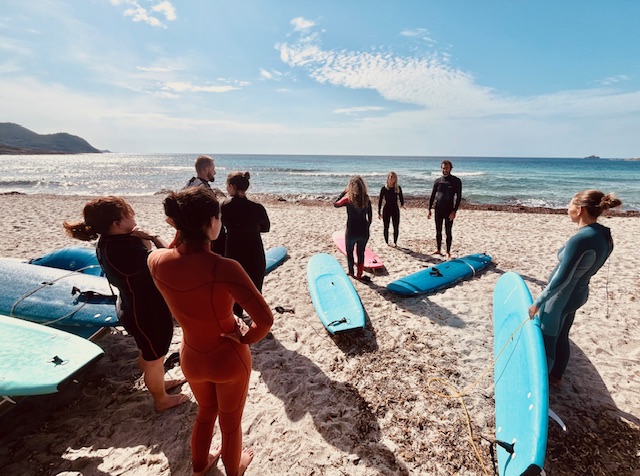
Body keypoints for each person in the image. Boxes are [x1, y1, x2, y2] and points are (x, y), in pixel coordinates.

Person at [148, 187, 273, 476]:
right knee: (230, 424)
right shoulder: (225, 267)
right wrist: (244, 337)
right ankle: (234, 468)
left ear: (176, 225)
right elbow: (264, 321)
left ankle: (200, 466)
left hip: (191, 356)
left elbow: (172, 252)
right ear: (212, 223)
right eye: (218, 217)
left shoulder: (156, 263)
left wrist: (179, 229)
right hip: (228, 357)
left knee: (205, 414)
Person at [63, 197, 187, 413]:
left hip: (130, 305)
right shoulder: (125, 250)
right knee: (153, 358)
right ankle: (161, 400)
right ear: (116, 224)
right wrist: (153, 237)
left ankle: (159, 384)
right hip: (146, 311)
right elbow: (169, 262)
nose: (134, 217)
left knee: (148, 351)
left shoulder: (108, 242)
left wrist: (140, 239)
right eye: (129, 215)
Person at [528, 190, 622, 387]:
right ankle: (557, 377)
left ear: (579, 210)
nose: (567, 208)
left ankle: (542, 386)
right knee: (563, 335)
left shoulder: (581, 239)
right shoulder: (604, 235)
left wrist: (539, 301)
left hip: (560, 297)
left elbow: (562, 278)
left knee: (548, 339)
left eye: (569, 204)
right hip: (579, 294)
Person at [221, 172, 271, 319]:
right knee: (255, 288)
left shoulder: (223, 206)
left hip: (232, 250)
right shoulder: (257, 207)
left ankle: (237, 319)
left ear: (232, 186)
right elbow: (266, 228)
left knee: (234, 289)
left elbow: (218, 228)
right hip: (254, 250)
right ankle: (257, 321)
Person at [184, 155, 226, 255]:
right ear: (206, 169)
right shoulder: (202, 188)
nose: (215, 172)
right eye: (213, 169)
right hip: (203, 234)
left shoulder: (191, 184)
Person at [334, 176, 373, 280]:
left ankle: (351, 272)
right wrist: (366, 227)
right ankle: (359, 275)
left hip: (351, 231)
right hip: (364, 231)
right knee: (361, 253)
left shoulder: (348, 199)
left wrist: (343, 192)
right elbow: (370, 217)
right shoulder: (367, 199)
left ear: (350, 187)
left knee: (350, 252)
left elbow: (335, 204)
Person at [427, 160, 462, 259]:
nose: (444, 170)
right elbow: (433, 195)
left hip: (449, 210)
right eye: (443, 168)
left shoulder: (456, 181)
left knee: (448, 231)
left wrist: (454, 211)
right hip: (438, 209)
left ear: (451, 168)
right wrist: (429, 209)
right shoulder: (438, 181)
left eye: (446, 168)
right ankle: (438, 249)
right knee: (438, 231)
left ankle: (448, 251)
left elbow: (458, 197)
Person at [378, 171, 405, 247]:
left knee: (396, 226)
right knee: (386, 226)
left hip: (395, 209)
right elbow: (380, 200)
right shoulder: (384, 188)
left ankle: (395, 242)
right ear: (388, 178)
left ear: (395, 179)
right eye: (390, 177)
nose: (391, 178)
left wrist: (402, 204)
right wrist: (379, 212)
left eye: (393, 177)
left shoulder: (398, 188)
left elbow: (401, 197)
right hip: (386, 209)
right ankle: (386, 242)